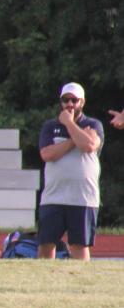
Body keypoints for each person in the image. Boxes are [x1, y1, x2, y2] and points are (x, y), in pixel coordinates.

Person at [37, 82, 103, 261]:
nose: (70, 104)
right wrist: (75, 140)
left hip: (82, 197)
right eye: (66, 100)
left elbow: (89, 145)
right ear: (61, 101)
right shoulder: (50, 126)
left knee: (79, 246)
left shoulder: (93, 124)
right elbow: (47, 154)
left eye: (74, 100)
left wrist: (69, 124)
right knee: (45, 244)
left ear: (82, 102)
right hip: (54, 195)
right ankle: (43, 281)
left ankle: (80, 283)